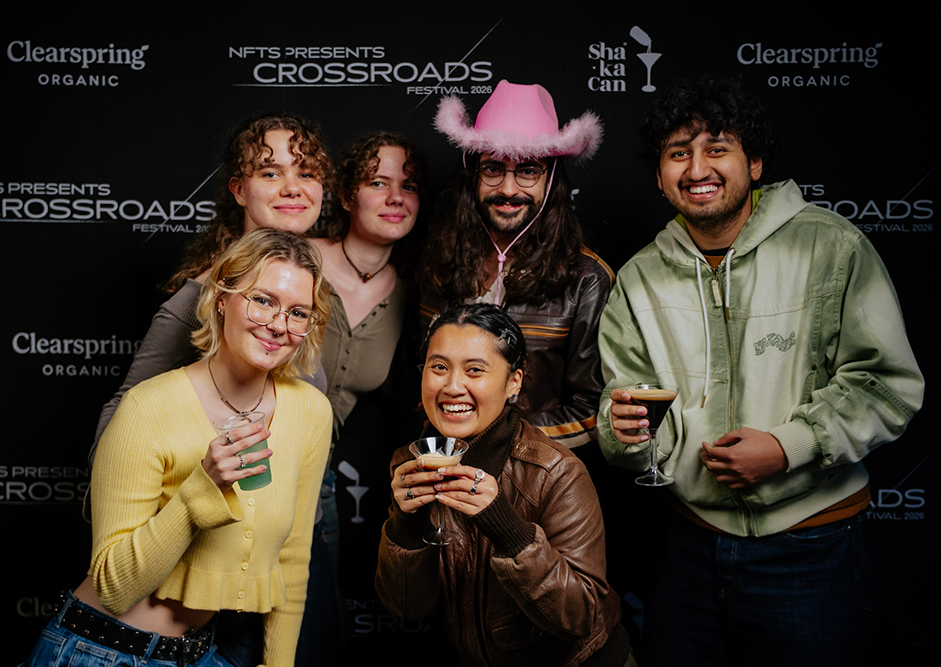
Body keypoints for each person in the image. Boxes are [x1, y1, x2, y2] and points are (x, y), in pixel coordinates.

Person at [597, 75, 924, 667]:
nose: (697, 168)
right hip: (687, 547)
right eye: (678, 154)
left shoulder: (832, 246)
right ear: (659, 175)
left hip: (813, 544)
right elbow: (628, 411)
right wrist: (623, 435)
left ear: (754, 160)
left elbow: (887, 385)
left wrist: (787, 445)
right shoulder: (639, 279)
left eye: (716, 147)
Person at [82, 112, 336, 666]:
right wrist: (150, 496)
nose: (278, 323)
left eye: (307, 173)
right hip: (208, 528)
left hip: (287, 523)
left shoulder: (317, 284)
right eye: (271, 173)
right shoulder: (196, 298)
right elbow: (128, 409)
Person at [26, 229, 333, 667]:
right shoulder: (147, 407)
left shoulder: (310, 412)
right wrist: (200, 489)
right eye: (262, 300)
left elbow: (293, 559)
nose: (279, 325)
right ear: (222, 297)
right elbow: (113, 588)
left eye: (298, 312)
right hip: (101, 650)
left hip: (198, 653)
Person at [376, 303, 632, 667]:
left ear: (514, 382)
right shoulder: (409, 465)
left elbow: (581, 618)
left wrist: (505, 527)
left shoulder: (554, 471)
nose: (452, 387)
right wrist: (406, 524)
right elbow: (405, 606)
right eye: (439, 367)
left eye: (475, 370)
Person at [421, 80, 613, 456]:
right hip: (443, 472)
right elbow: (418, 381)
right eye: (493, 169)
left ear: (551, 179)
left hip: (538, 482)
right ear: (472, 175)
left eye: (527, 171)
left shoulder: (586, 279)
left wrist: (492, 443)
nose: (508, 188)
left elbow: (593, 410)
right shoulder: (439, 262)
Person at [309, 131, 424, 559]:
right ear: (344, 195)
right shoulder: (297, 261)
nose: (395, 197)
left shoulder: (413, 294)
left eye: (408, 186)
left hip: (318, 483)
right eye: (378, 182)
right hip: (243, 471)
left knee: (323, 620)